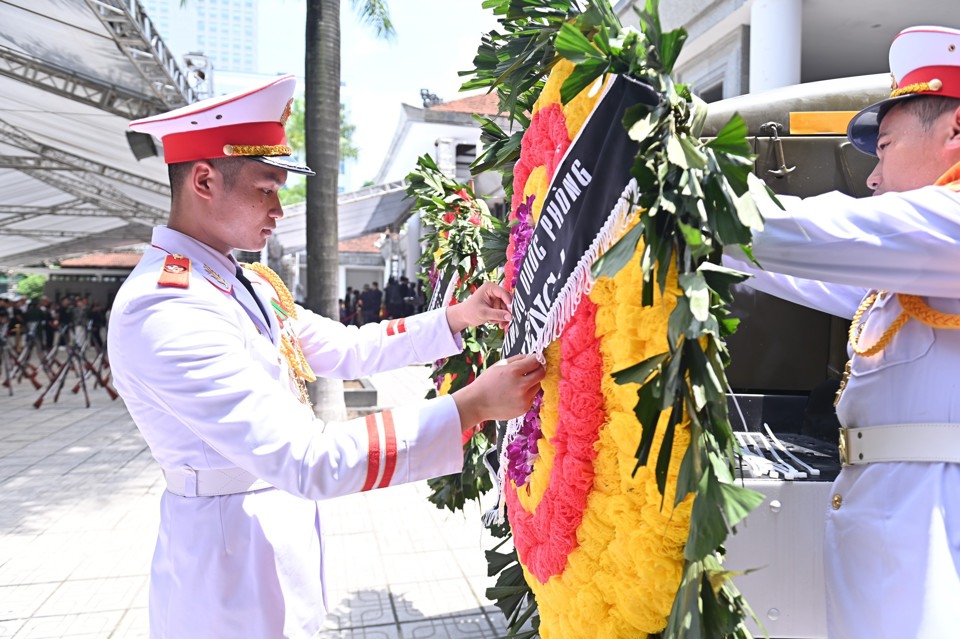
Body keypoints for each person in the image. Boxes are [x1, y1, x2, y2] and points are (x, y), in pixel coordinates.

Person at [108, 74, 544, 639]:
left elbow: (343, 346)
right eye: (266, 188)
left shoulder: (244, 282)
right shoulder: (166, 309)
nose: (278, 208)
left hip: (268, 538)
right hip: (224, 572)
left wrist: (459, 316)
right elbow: (308, 458)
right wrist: (469, 408)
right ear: (205, 180)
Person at [725, 25, 960, 638]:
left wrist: (680, 192)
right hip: (895, 518)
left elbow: (813, 234)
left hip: (937, 529)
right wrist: (697, 243)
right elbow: (796, 268)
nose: (874, 177)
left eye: (883, 147)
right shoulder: (923, 260)